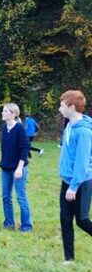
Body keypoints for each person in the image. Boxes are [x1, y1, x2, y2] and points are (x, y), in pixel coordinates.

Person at [57, 90, 92, 262]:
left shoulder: (84, 131)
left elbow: (81, 162)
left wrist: (74, 186)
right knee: (65, 220)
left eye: (62, 106)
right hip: (67, 180)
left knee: (82, 220)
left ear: (72, 107)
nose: (60, 109)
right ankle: (68, 259)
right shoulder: (69, 125)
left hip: (81, 181)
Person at [0, 103, 32, 232]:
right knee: (5, 197)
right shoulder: (4, 128)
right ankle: (9, 223)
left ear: (13, 114)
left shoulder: (19, 128)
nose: (3, 113)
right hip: (6, 168)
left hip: (19, 168)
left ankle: (26, 226)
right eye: (3, 110)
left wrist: (19, 168)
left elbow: (25, 149)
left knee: (21, 197)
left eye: (5, 111)